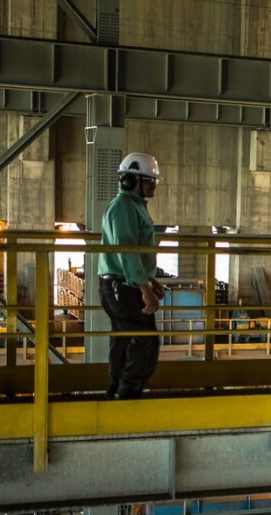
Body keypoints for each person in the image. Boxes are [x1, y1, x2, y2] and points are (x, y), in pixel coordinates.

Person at [98, 152, 165, 400]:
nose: (152, 186)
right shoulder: (124, 208)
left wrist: (150, 280)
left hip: (122, 283)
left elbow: (135, 250)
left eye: (154, 181)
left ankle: (117, 390)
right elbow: (126, 249)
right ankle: (127, 392)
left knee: (125, 339)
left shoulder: (133, 207)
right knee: (145, 339)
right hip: (122, 285)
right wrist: (143, 287)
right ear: (130, 181)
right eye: (149, 181)